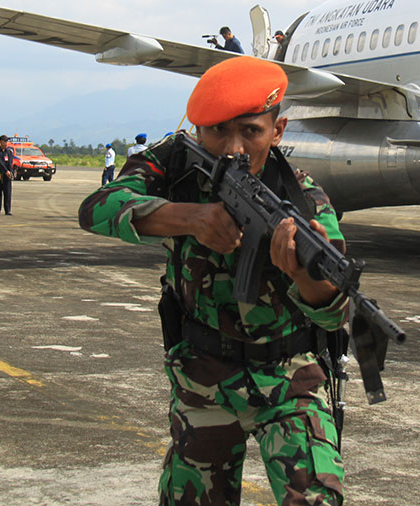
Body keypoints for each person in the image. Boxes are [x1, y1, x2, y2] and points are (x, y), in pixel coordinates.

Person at [79, 56, 348, 505]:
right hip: (203, 379)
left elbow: (336, 306)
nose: (233, 148)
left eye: (251, 131)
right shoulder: (177, 167)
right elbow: (97, 208)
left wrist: (304, 275)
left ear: (277, 131)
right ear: (197, 130)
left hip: (287, 378)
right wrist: (192, 217)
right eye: (218, 130)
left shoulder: (303, 199)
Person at [0, 135, 14, 216]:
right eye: (4, 141)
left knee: (7, 193)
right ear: (0, 142)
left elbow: (10, 163)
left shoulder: (9, 152)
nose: (5, 143)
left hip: (7, 176)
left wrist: (10, 172)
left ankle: (7, 210)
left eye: (6, 141)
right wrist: (5, 171)